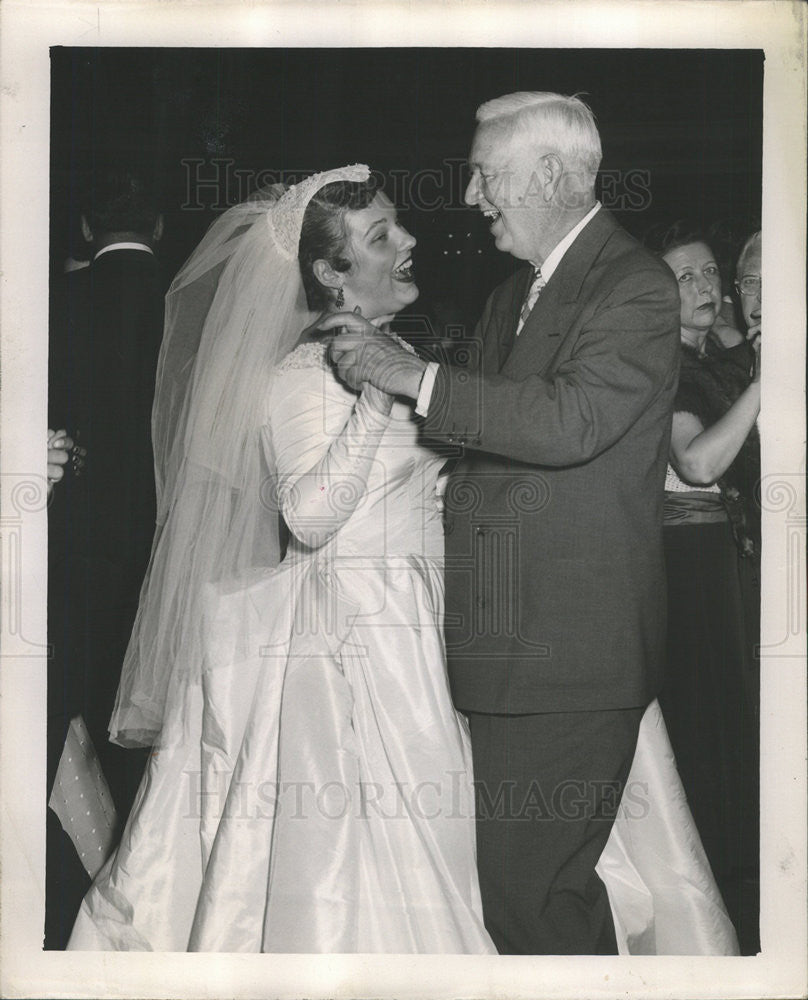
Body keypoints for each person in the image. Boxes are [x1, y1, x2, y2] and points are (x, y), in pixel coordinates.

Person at [66, 165, 496, 953]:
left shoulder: (387, 345)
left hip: (415, 614)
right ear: (332, 275)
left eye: (397, 225)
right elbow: (307, 515)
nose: (408, 241)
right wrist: (374, 397)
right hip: (362, 633)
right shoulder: (305, 371)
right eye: (380, 237)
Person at [324, 93, 691, 955]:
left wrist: (409, 375)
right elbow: (472, 425)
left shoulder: (633, 285)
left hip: (568, 650)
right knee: (517, 894)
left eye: (487, 176)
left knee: (534, 899)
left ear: (554, 174)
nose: (473, 197)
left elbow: (566, 422)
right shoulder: (515, 293)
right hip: (508, 646)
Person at [47, 166, 166, 947]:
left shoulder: (55, 297)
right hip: (162, 536)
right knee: (150, 720)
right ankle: (141, 869)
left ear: (86, 225)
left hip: (69, 533)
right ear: (158, 226)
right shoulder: (190, 299)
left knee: (76, 705)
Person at [654, 224, 760, 951]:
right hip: (687, 555)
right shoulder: (664, 363)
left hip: (724, 549)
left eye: (709, 272)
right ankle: (728, 893)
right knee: (712, 722)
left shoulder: (708, 354)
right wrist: (766, 383)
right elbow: (696, 463)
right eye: (682, 277)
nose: (703, 286)